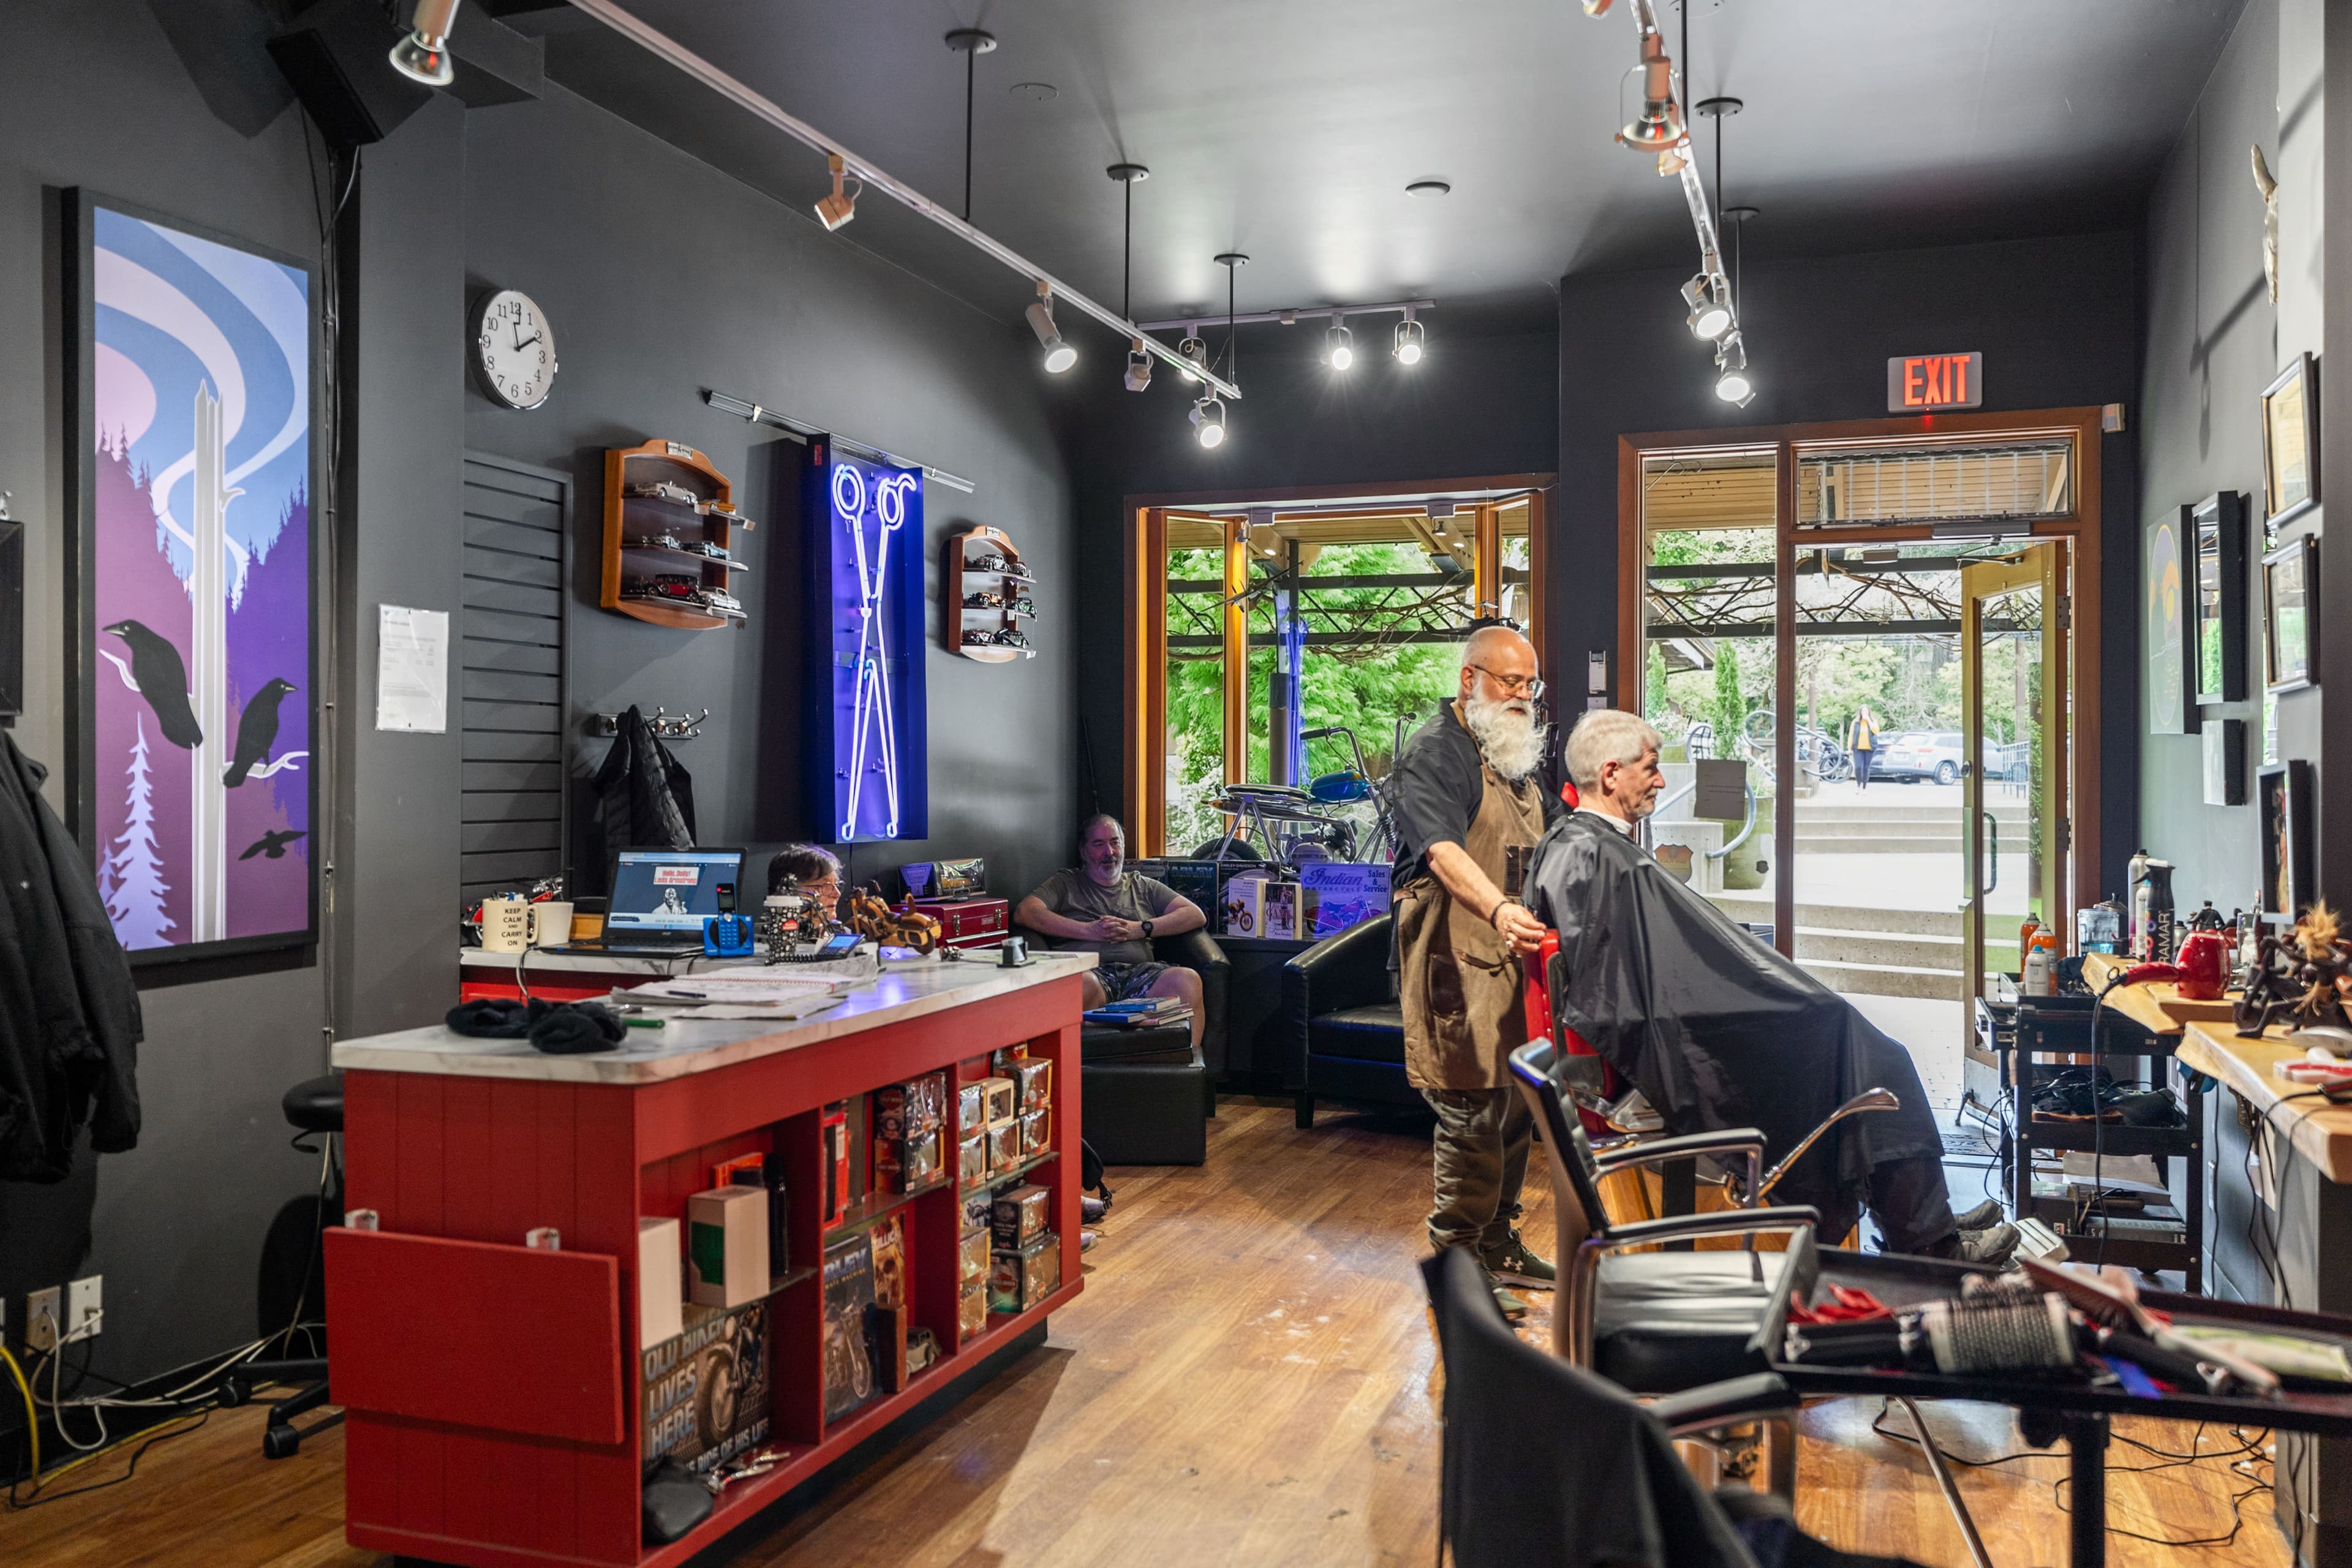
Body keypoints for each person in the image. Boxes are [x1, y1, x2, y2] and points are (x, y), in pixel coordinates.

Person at [1524, 709, 2015, 1263]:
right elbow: (1645, 988)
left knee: (1850, 1043)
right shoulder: (1604, 858)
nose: (1661, 781)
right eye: (1652, 768)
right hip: (1667, 1052)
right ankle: (1929, 1242)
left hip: (1661, 1032)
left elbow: (1650, 973)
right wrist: (1781, 998)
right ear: (1611, 774)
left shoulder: (1569, 845)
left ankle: (1920, 1220)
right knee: (1875, 1058)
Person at [1387, 625, 1567, 1319]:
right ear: (1470, 680)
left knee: (1516, 1102)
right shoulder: (1435, 752)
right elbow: (1439, 851)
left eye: (1530, 685)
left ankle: (1498, 1243)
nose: (1522, 696)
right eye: (1508, 682)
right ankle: (1459, 1265)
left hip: (1513, 957)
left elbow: (1551, 835)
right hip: (1451, 953)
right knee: (1469, 1111)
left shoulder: (1513, 751)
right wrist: (1497, 908)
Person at [1016, 816, 1208, 1048]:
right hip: (1092, 974)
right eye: (1099, 844)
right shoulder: (1066, 883)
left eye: (1115, 843)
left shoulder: (1142, 885)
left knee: (1187, 980)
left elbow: (1194, 914)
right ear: (1084, 851)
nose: (1109, 852)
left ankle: (1182, 1069)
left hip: (1140, 975)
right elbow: (1026, 912)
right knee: (1078, 984)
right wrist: (1090, 931)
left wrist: (1139, 929)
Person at [767, 843, 843, 922]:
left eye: (836, 885)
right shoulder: (770, 934)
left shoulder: (842, 932)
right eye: (824, 886)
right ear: (788, 893)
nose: (837, 894)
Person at [1847, 704, 1880, 791]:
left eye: (1866, 711)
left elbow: (1876, 731)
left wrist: (1869, 720)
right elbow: (1851, 735)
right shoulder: (1856, 722)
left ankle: (1864, 786)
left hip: (1870, 748)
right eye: (1863, 711)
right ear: (1860, 713)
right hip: (1858, 748)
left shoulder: (1873, 721)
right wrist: (1849, 748)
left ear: (1869, 712)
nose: (1865, 712)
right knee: (1858, 767)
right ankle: (1858, 784)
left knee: (1866, 768)